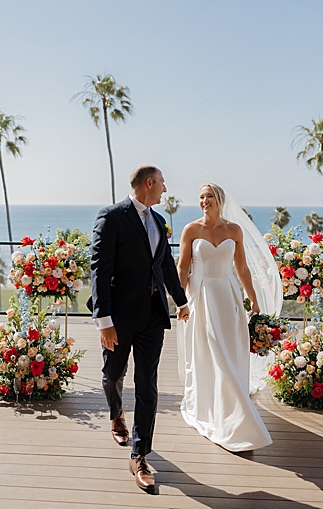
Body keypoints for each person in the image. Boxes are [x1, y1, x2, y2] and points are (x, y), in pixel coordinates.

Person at [90, 164, 190, 495]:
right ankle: (116, 414)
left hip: (152, 316)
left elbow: (164, 266)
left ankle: (139, 455)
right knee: (113, 374)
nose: (165, 188)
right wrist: (104, 320)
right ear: (149, 183)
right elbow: (99, 271)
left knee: (147, 383)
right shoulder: (112, 217)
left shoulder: (159, 223)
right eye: (162, 182)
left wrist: (181, 301)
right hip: (118, 318)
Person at [177, 183, 283, 452]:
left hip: (226, 295)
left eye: (209, 196)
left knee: (228, 350)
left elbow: (242, 267)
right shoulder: (191, 229)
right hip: (200, 296)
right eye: (201, 197)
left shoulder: (234, 230)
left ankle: (233, 404)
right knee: (207, 350)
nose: (204, 201)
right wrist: (180, 302)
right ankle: (222, 408)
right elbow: (182, 267)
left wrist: (254, 299)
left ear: (220, 199)